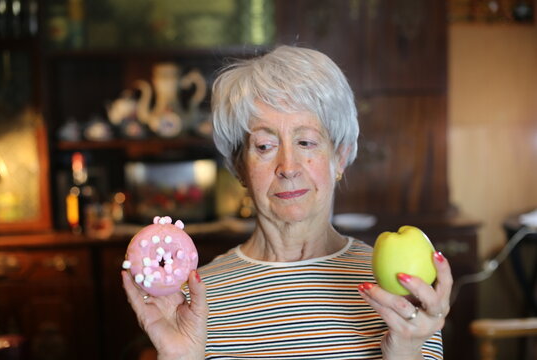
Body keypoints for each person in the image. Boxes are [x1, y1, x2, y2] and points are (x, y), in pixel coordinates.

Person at [122, 45, 452, 360]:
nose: (288, 168)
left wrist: (406, 352)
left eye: (306, 142)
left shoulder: (398, 294)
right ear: (240, 167)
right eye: (264, 146)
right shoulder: (196, 299)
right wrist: (181, 357)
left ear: (341, 156)